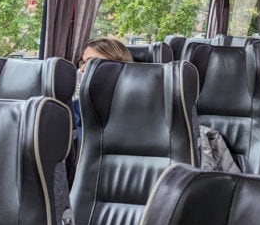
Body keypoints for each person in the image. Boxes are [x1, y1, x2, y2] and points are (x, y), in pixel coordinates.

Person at [76, 37, 239, 173]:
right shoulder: (74, 110)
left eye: (92, 63)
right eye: (82, 63)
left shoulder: (159, 114)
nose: (83, 70)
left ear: (117, 66)